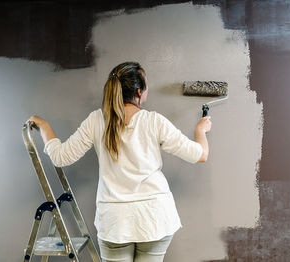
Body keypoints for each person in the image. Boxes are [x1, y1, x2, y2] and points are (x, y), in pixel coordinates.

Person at [25, 61, 211, 262]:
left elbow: (60, 156)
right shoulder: (154, 121)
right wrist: (201, 130)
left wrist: (44, 125)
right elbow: (200, 155)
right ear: (139, 92)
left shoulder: (96, 120)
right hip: (154, 219)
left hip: (115, 223)